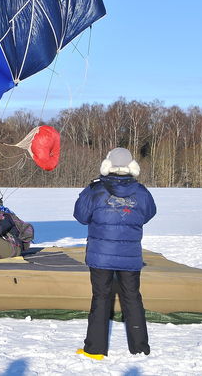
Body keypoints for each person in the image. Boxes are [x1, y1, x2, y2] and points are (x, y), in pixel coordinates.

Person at [73, 147, 156, 360]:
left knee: (100, 298)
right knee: (133, 298)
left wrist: (88, 189)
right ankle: (140, 348)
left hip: (101, 255)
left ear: (107, 165)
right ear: (131, 166)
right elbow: (149, 213)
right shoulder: (141, 192)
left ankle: (95, 349)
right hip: (130, 255)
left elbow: (81, 216)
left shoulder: (95, 189)